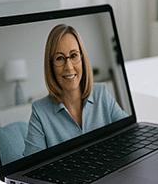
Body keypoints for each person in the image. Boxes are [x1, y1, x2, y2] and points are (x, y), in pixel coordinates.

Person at [23, 24, 128, 156]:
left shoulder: (101, 93)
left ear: (82, 59)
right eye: (59, 58)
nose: (69, 67)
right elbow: (30, 166)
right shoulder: (40, 112)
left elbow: (129, 133)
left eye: (73, 55)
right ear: (51, 66)